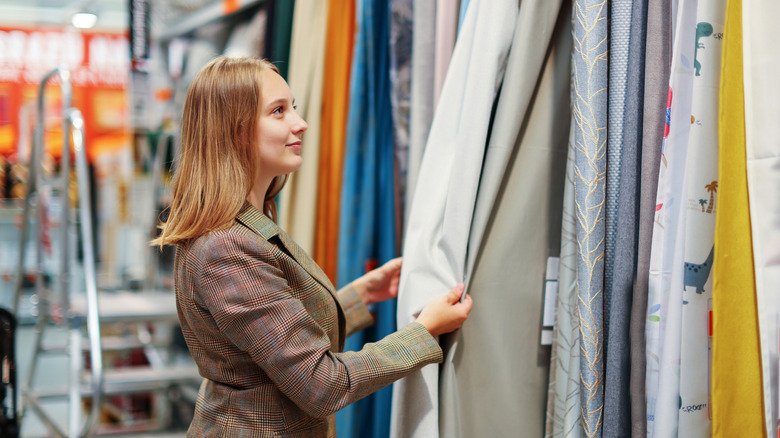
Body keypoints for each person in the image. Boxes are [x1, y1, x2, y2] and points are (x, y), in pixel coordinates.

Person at [152, 56, 473, 437]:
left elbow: (271, 342)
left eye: (294, 108)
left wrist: (360, 295)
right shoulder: (227, 248)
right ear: (234, 130)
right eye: (278, 111)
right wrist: (423, 332)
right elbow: (322, 383)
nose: (299, 123)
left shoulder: (243, 226)